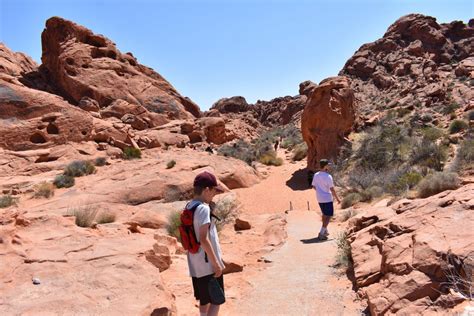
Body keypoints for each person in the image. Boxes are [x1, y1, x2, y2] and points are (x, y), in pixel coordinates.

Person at [186, 171, 226, 316]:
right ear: (206, 189)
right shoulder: (203, 208)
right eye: (214, 190)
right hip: (207, 263)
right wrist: (216, 263)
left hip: (196, 263)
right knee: (216, 301)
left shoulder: (189, 206)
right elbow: (203, 238)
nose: (214, 194)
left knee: (204, 300)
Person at [311, 159, 341, 240]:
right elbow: (332, 189)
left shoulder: (316, 175)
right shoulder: (328, 176)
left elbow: (313, 186)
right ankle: (321, 233)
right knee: (328, 216)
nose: (329, 166)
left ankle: (325, 231)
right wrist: (338, 199)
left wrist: (320, 191)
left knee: (324, 214)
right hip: (327, 198)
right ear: (325, 166)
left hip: (319, 198)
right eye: (328, 165)